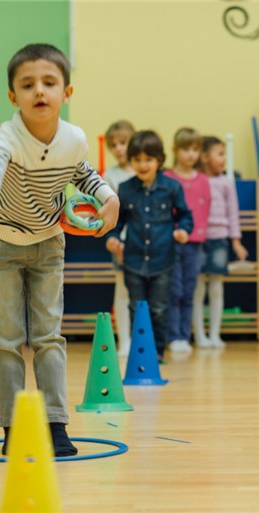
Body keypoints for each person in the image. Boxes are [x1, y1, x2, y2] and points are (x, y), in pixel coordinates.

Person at [0, 43, 120, 457]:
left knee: (50, 336)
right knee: (6, 340)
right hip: (1, 245)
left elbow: (83, 173)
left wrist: (109, 197)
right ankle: (13, 427)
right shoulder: (7, 137)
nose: (39, 91)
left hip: (49, 245)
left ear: (66, 93)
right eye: (28, 84)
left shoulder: (74, 139)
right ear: (13, 96)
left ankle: (55, 424)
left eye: (49, 83)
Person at [108, 130, 193, 362]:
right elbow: (119, 220)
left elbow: (185, 216)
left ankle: (156, 352)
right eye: (137, 160)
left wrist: (183, 230)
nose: (143, 165)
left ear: (159, 161)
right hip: (133, 260)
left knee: (159, 308)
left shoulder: (172, 188)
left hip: (163, 259)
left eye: (148, 159)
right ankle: (140, 352)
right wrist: (113, 237)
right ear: (130, 161)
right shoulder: (125, 189)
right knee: (136, 308)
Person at [192, 136, 248, 348]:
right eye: (219, 154)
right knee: (197, 289)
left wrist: (236, 241)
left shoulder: (226, 182)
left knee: (215, 287)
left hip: (219, 239)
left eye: (224, 154)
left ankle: (215, 334)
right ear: (205, 157)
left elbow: (233, 212)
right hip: (198, 240)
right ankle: (200, 335)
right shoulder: (197, 180)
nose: (223, 159)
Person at [164, 127, 211, 354]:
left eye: (195, 150)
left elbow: (206, 208)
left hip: (195, 243)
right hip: (172, 242)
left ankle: (185, 335)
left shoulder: (203, 180)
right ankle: (174, 336)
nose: (190, 155)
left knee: (190, 288)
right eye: (185, 149)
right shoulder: (168, 178)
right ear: (175, 151)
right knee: (174, 289)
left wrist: (201, 234)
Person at [102, 120, 136, 356]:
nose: (119, 149)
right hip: (122, 243)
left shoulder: (146, 169)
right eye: (114, 145)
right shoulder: (110, 175)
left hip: (147, 241)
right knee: (122, 291)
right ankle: (124, 340)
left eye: (123, 142)